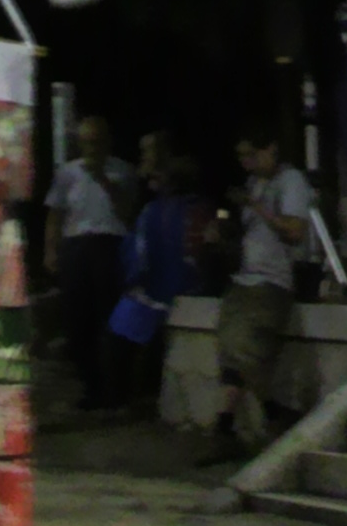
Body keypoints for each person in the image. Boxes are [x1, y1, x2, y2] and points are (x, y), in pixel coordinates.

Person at [201, 125, 315, 463]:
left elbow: (294, 231)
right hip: (244, 278)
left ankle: (274, 412)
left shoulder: (290, 181)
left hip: (272, 281)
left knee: (244, 348)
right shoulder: (254, 183)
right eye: (241, 157)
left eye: (252, 155)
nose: (247, 164)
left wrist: (256, 204)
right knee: (229, 351)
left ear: (270, 150)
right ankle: (226, 428)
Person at [45, 114, 136, 411]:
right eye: (85, 143)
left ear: (107, 143)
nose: (91, 149)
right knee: (77, 319)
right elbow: (55, 214)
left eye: (96, 143)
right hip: (77, 246)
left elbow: (128, 212)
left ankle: (116, 389)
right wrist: (51, 251)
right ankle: (91, 387)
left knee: (110, 319)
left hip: (110, 245)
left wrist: (104, 180)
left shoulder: (122, 170)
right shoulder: (68, 173)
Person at [110, 153, 200, 414]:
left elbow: (139, 253)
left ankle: (130, 400)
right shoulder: (181, 209)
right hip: (171, 290)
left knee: (125, 338)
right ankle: (136, 398)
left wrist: (134, 279)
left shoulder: (167, 211)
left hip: (161, 290)